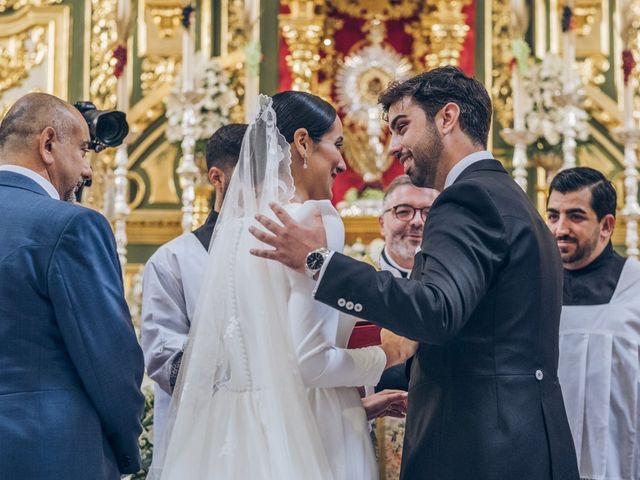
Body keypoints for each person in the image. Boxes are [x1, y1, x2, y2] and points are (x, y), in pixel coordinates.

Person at [249, 67, 580, 479]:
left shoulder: (468, 197)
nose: (394, 147)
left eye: (403, 127)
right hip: (522, 438)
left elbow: (436, 311)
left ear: (447, 118)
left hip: (478, 449)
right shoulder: (511, 198)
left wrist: (318, 262)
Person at [152, 93, 405, 480]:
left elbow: (263, 363)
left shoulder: (233, 231)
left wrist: (358, 406)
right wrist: (386, 354)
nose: (342, 161)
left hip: (235, 433)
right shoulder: (315, 219)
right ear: (302, 142)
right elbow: (311, 364)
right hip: (315, 437)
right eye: (336, 145)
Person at [0, 92, 144, 479]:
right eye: (82, 150)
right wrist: (128, 448)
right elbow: (111, 360)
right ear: (47, 144)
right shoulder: (72, 225)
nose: (88, 171)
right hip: (50, 453)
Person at [141, 123, 248, 465]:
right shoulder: (174, 259)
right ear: (217, 178)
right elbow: (163, 358)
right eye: (252, 174)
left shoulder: (285, 253)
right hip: (201, 439)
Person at [546, 167, 640, 480]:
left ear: (607, 225)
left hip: (621, 461)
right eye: (553, 215)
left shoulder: (635, 287)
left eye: (575, 216)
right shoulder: (535, 288)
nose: (560, 228)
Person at [376, 174, 438, 392]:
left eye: (428, 212)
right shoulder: (359, 281)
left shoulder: (453, 286)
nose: (417, 221)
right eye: (403, 211)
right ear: (382, 224)